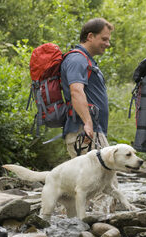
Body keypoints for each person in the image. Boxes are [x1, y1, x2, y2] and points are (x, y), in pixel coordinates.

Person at [61, 18, 114, 158]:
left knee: (105, 179)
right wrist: (88, 123)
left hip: (91, 131)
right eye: (104, 39)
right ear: (90, 36)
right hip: (84, 132)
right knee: (103, 179)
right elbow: (76, 91)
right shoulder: (77, 59)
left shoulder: (86, 60)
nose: (107, 44)